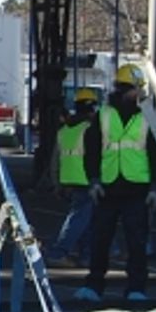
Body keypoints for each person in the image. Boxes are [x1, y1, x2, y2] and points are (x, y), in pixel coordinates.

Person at [76, 63, 156, 303]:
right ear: (131, 89)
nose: (139, 93)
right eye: (137, 89)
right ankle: (95, 286)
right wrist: (93, 180)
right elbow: (92, 150)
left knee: (136, 242)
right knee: (102, 240)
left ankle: (135, 288)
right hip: (109, 188)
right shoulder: (104, 115)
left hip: (136, 189)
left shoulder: (147, 117)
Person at [44, 87, 100, 267]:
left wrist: (56, 183)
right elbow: (98, 157)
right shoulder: (90, 129)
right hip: (86, 181)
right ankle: (57, 252)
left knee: (86, 221)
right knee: (79, 219)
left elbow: (55, 160)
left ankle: (86, 256)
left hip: (68, 181)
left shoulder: (64, 131)